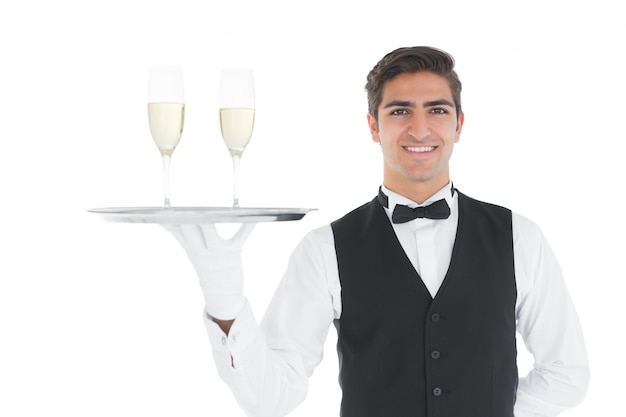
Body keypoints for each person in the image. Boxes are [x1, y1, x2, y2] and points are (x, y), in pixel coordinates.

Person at [164, 46, 590, 417]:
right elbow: (272, 398)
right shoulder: (324, 248)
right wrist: (225, 302)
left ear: (459, 125)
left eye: (437, 110)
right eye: (400, 110)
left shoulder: (520, 237)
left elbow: (567, 373)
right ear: (373, 126)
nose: (420, 129)